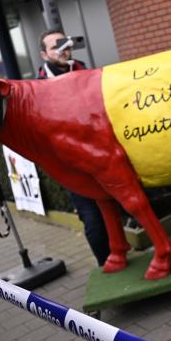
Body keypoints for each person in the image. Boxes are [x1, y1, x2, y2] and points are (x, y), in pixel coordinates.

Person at [38, 29, 110, 267]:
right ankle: (106, 266)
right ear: (43, 55)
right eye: (55, 46)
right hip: (70, 164)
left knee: (113, 208)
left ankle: (120, 257)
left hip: (101, 154)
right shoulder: (38, 86)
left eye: (64, 43)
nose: (62, 49)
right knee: (92, 218)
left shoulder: (84, 69)